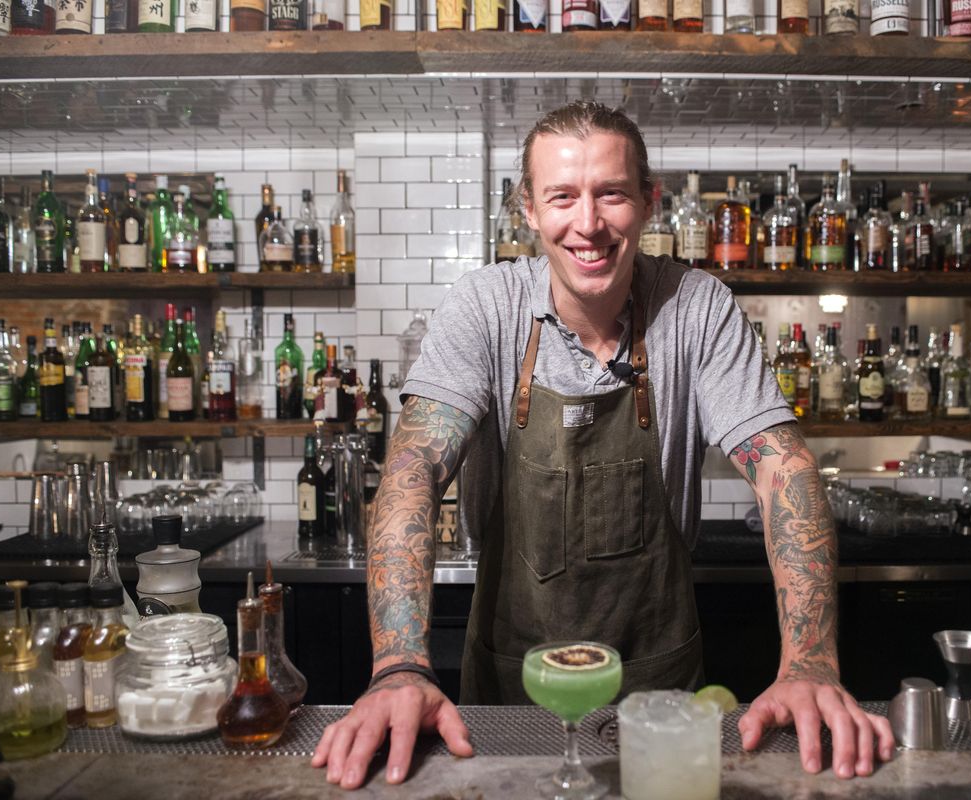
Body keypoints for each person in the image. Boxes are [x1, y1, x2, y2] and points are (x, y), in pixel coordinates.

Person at [312, 100, 895, 790]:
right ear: (528, 208)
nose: (587, 224)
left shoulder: (696, 307)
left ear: (649, 203)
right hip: (509, 697)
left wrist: (810, 662)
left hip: (658, 696)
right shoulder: (486, 307)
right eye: (562, 196)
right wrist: (400, 666)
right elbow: (412, 470)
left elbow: (784, 470)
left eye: (610, 194)